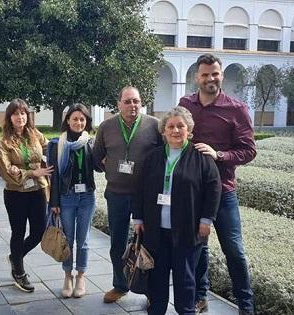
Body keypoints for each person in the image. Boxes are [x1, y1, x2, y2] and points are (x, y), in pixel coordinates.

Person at [179, 53, 257, 315]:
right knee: (198, 248)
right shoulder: (185, 105)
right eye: (205, 74)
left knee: (234, 250)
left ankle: (246, 306)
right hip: (193, 193)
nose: (210, 78)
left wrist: (219, 155)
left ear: (221, 75)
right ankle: (200, 296)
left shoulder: (236, 109)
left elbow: (248, 150)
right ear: (196, 77)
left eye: (215, 73)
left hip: (223, 192)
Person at [132, 106, 221, 315]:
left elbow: (214, 188)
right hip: (155, 231)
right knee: (157, 279)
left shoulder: (200, 157)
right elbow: (139, 188)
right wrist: (137, 217)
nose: (175, 130)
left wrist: (207, 219)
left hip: (187, 231)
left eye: (180, 126)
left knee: (185, 280)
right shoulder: (152, 157)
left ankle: (186, 311)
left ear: (188, 129)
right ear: (163, 131)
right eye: (170, 126)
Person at [92, 86, 162, 303]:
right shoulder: (106, 127)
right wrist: (112, 170)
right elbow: (96, 158)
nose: (133, 106)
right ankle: (120, 285)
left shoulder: (154, 125)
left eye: (136, 101)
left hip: (146, 197)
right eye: (128, 101)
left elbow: (163, 156)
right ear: (118, 104)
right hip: (117, 194)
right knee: (117, 243)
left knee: (150, 244)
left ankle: (150, 291)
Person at [0, 98, 53, 293]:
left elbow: (50, 148)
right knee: (18, 232)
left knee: (38, 231)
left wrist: (20, 169)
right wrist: (31, 172)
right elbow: (5, 170)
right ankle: (19, 272)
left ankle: (15, 256)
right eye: (15, 114)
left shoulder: (35, 134)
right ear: (9, 117)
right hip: (16, 194)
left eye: (23, 113)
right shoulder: (4, 142)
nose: (20, 117)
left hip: (37, 191)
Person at [47, 104, 100, 298]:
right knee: (67, 239)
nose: (78, 122)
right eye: (75, 119)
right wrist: (54, 202)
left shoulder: (91, 143)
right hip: (66, 197)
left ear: (87, 122)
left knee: (83, 240)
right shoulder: (56, 144)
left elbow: (99, 167)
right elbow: (53, 177)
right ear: (67, 121)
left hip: (87, 196)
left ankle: (81, 276)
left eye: (82, 119)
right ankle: (68, 276)